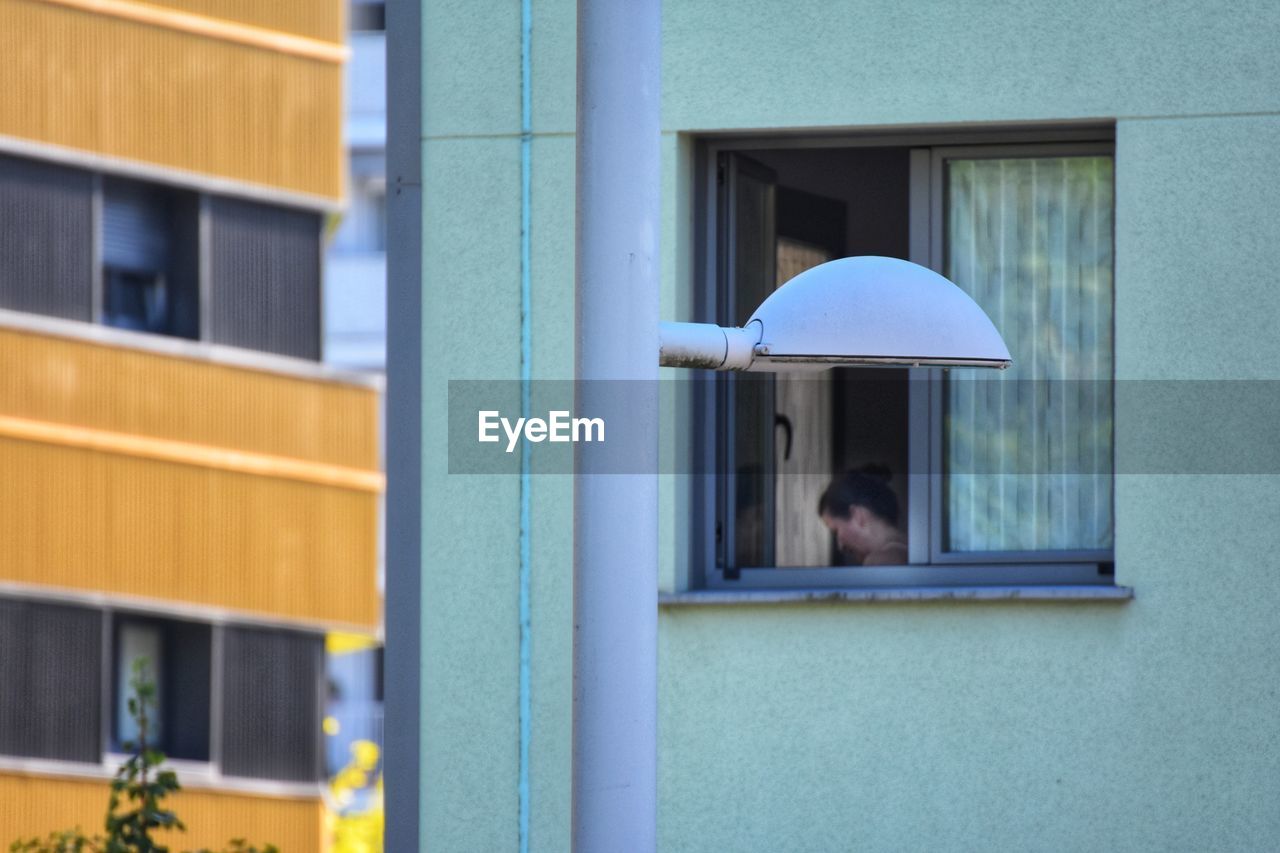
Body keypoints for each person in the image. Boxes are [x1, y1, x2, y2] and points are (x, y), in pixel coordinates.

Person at [817, 466, 907, 566]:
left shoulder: (881, 561)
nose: (840, 545)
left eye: (836, 531)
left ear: (858, 516)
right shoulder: (914, 549)